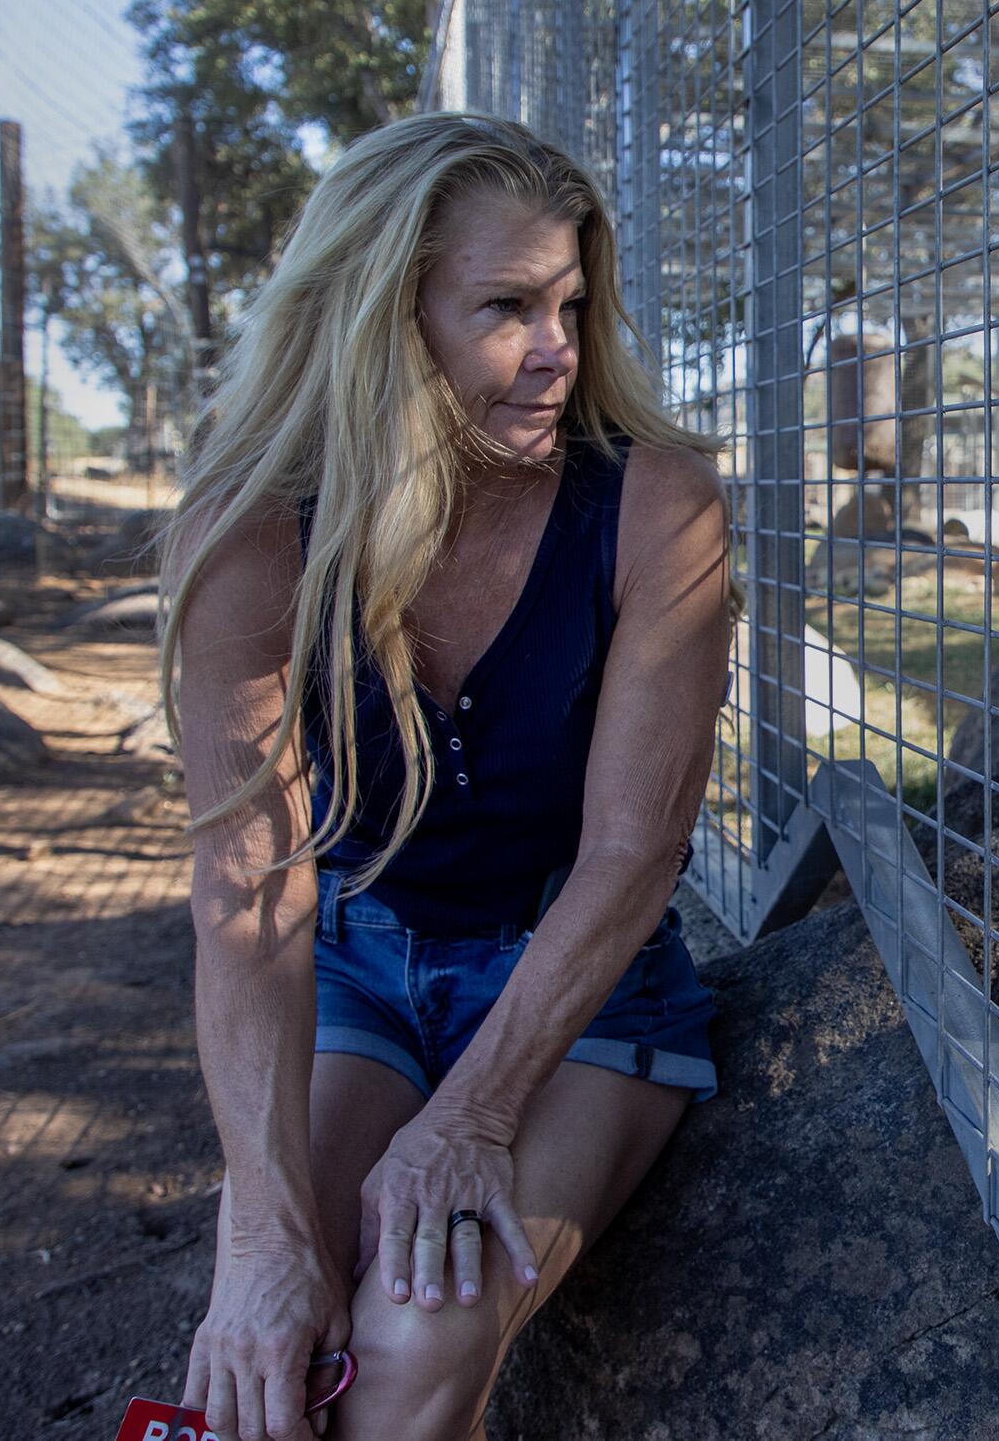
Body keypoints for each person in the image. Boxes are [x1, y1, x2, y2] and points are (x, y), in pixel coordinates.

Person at [157, 112, 734, 1441]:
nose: (558, 353)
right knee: (274, 1350)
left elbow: (635, 851)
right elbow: (252, 892)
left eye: (573, 304)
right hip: (362, 963)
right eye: (507, 308)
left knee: (415, 1330)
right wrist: (264, 1230)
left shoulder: (659, 503)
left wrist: (473, 1111)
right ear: (384, 317)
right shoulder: (253, 526)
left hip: (574, 982)